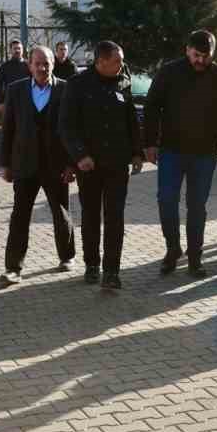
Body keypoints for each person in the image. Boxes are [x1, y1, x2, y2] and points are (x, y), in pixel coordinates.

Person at [143, 29, 217, 278]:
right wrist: (150, 143)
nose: (200, 61)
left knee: (197, 206)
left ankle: (195, 257)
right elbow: (152, 107)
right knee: (166, 199)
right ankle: (172, 248)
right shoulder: (169, 72)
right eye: (196, 55)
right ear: (187, 50)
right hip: (171, 150)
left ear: (213, 54)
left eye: (206, 57)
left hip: (204, 153)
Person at [59, 40, 144, 289]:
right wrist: (79, 156)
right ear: (101, 62)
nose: (121, 65)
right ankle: (92, 265)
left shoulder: (123, 81)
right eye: (117, 61)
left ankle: (112, 271)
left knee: (115, 217)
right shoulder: (77, 84)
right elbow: (66, 126)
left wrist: (137, 153)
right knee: (91, 215)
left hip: (118, 163)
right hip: (90, 165)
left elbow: (131, 121)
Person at [0, 45, 75, 283]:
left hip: (56, 165)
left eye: (47, 63)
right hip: (24, 164)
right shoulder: (16, 90)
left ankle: (67, 256)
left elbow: (74, 130)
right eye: (38, 63)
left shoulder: (65, 89)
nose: (42, 68)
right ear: (29, 65)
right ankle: (13, 268)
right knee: (20, 216)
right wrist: (6, 164)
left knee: (61, 213)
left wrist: (71, 164)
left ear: (53, 64)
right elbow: (8, 128)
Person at [0, 39, 30, 107]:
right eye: (15, 48)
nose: (17, 50)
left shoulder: (29, 65)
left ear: (22, 50)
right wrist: (0, 102)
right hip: (9, 100)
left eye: (19, 48)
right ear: (10, 50)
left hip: (26, 100)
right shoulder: (4, 66)